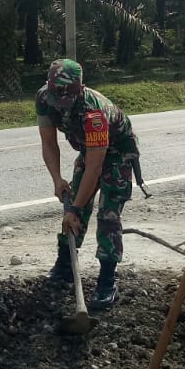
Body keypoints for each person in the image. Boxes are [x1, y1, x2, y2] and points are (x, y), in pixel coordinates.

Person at [36, 58, 141, 310]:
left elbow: (95, 166)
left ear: (79, 90)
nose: (60, 104)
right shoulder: (43, 98)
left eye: (66, 99)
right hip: (88, 149)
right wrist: (57, 180)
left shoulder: (94, 112)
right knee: (74, 204)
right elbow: (49, 143)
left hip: (116, 152)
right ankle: (65, 266)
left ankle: (106, 280)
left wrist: (74, 209)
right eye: (56, 97)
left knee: (107, 214)